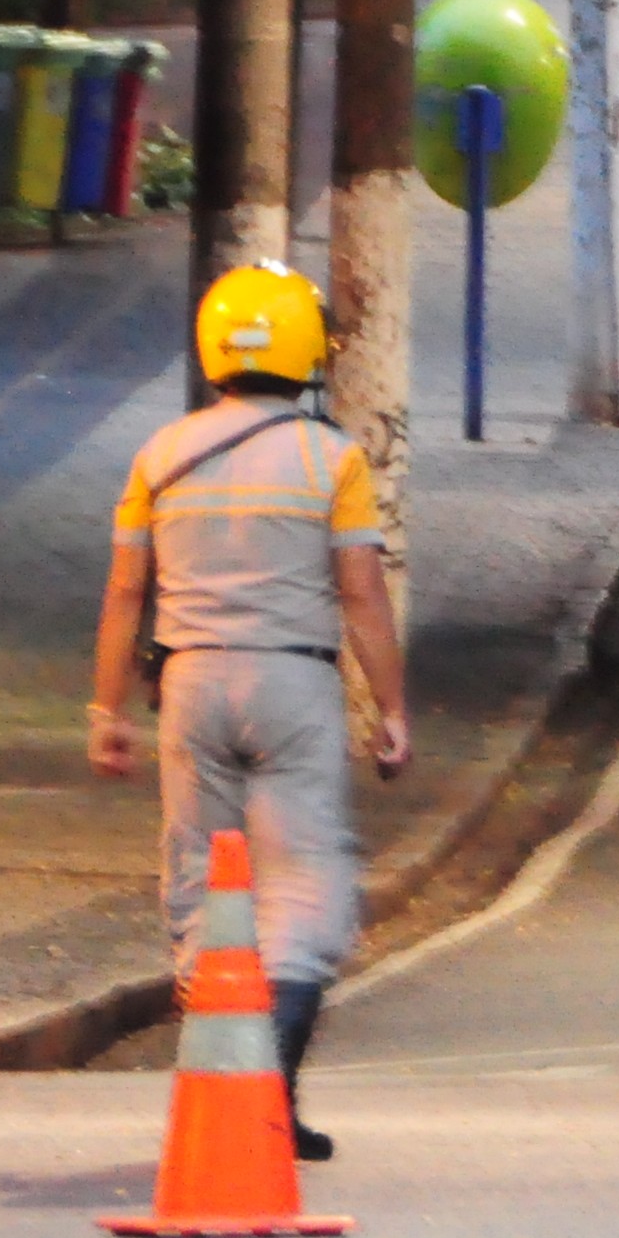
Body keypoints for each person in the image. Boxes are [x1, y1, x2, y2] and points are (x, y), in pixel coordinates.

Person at [86, 263, 411, 1162]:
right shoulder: (332, 458)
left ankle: (228, 1095)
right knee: (302, 893)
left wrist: (104, 709)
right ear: (308, 349)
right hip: (292, 689)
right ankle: (269, 1098)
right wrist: (390, 708)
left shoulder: (158, 455)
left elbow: (124, 594)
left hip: (188, 689)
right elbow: (363, 596)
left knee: (200, 888)